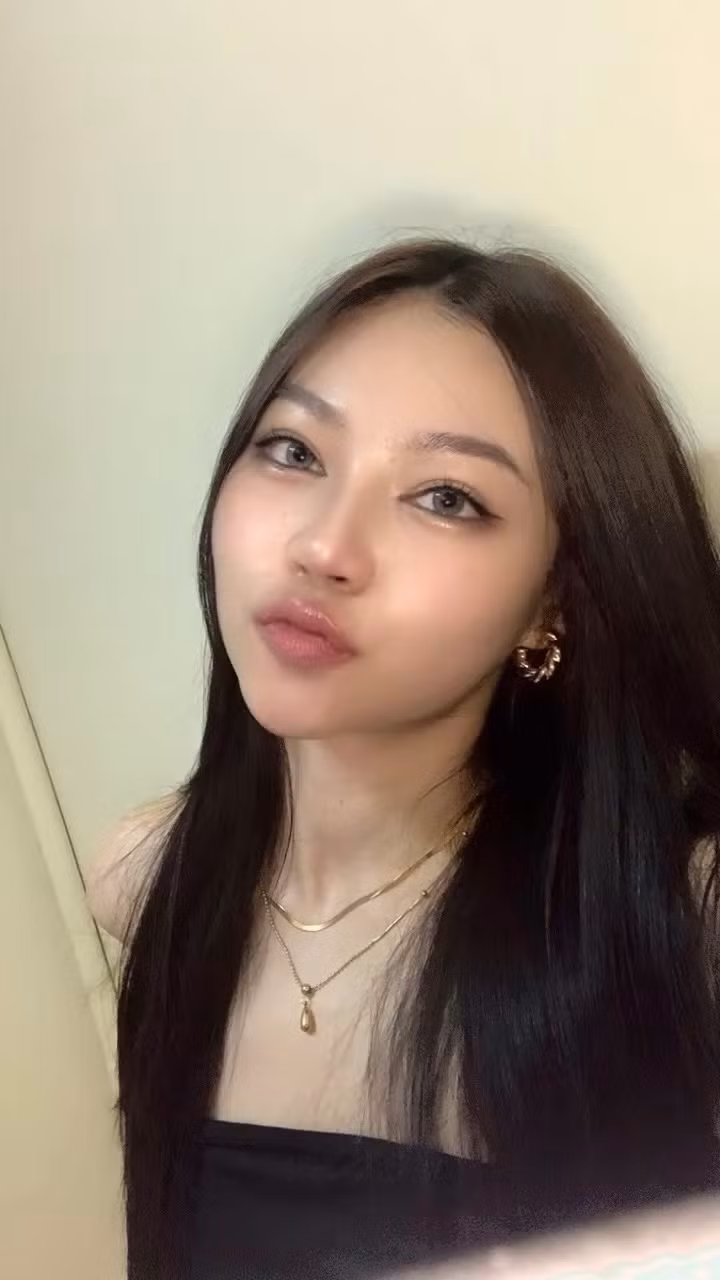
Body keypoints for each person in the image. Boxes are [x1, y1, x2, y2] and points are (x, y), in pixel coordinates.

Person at [87, 236, 720, 1280]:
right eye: (294, 451)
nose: (324, 547)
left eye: (447, 497)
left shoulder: (674, 926)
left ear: (554, 602)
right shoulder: (146, 875)